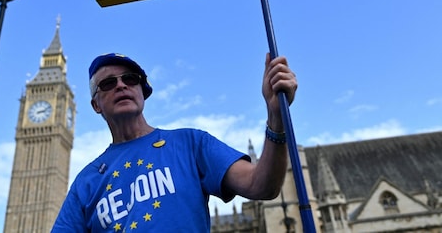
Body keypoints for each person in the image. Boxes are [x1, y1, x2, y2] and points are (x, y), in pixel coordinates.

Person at [51, 52, 297, 232]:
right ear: (95, 104)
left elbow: (261, 186)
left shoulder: (191, 143)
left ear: (142, 91)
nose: (121, 85)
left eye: (130, 79)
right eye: (108, 83)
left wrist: (276, 118)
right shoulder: (86, 181)